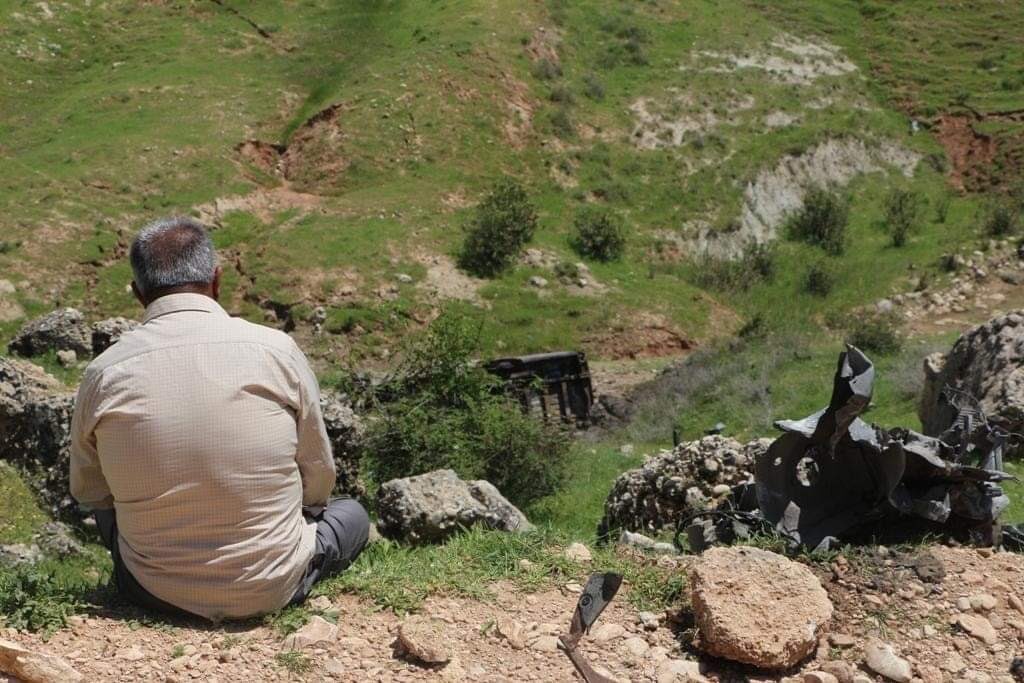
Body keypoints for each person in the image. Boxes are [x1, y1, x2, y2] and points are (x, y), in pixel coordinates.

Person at [69, 216, 368, 621]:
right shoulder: (276, 350)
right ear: (216, 280)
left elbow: (90, 492)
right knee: (353, 515)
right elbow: (317, 477)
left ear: (139, 294)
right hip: (274, 582)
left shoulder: (104, 373)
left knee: (112, 508)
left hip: (152, 590)